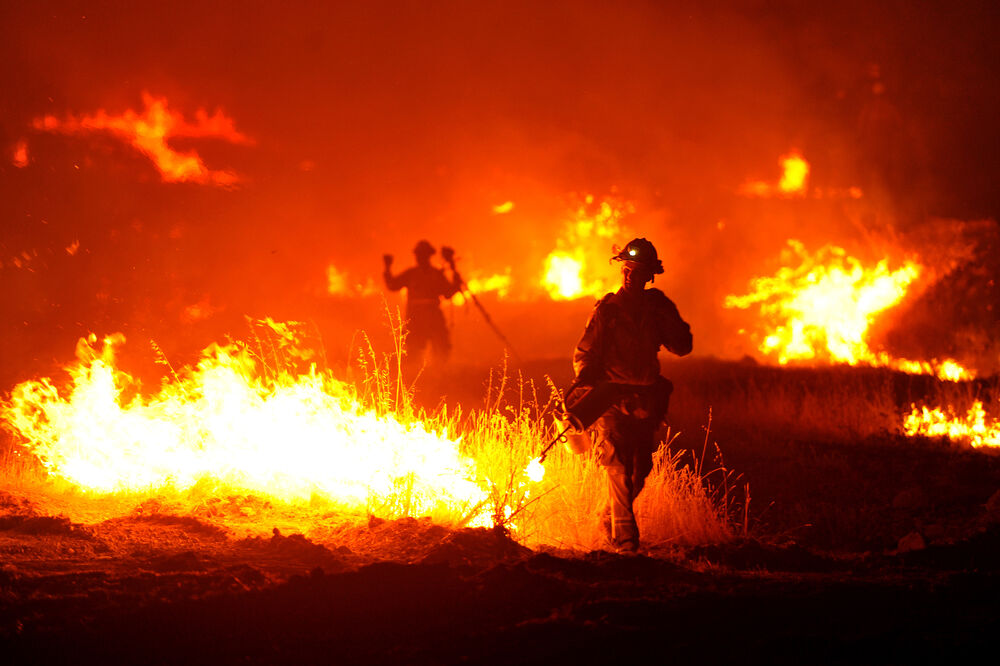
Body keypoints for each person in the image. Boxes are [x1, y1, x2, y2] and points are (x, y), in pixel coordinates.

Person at [572, 237, 693, 553]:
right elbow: (584, 351)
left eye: (638, 271)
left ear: (649, 275)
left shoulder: (657, 307)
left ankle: (607, 519)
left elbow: (682, 346)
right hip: (612, 399)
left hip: (647, 400)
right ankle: (627, 543)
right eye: (626, 269)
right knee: (618, 466)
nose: (630, 276)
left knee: (640, 472)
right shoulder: (607, 311)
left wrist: (665, 315)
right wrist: (586, 378)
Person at [383, 240, 461, 363]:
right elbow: (392, 285)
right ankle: (415, 377)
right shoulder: (411, 274)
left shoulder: (436, 274)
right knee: (413, 351)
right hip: (416, 317)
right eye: (419, 255)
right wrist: (387, 268)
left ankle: (440, 374)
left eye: (423, 255)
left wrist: (456, 281)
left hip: (433, 315)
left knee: (441, 347)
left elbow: (448, 293)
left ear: (428, 256)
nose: (420, 258)